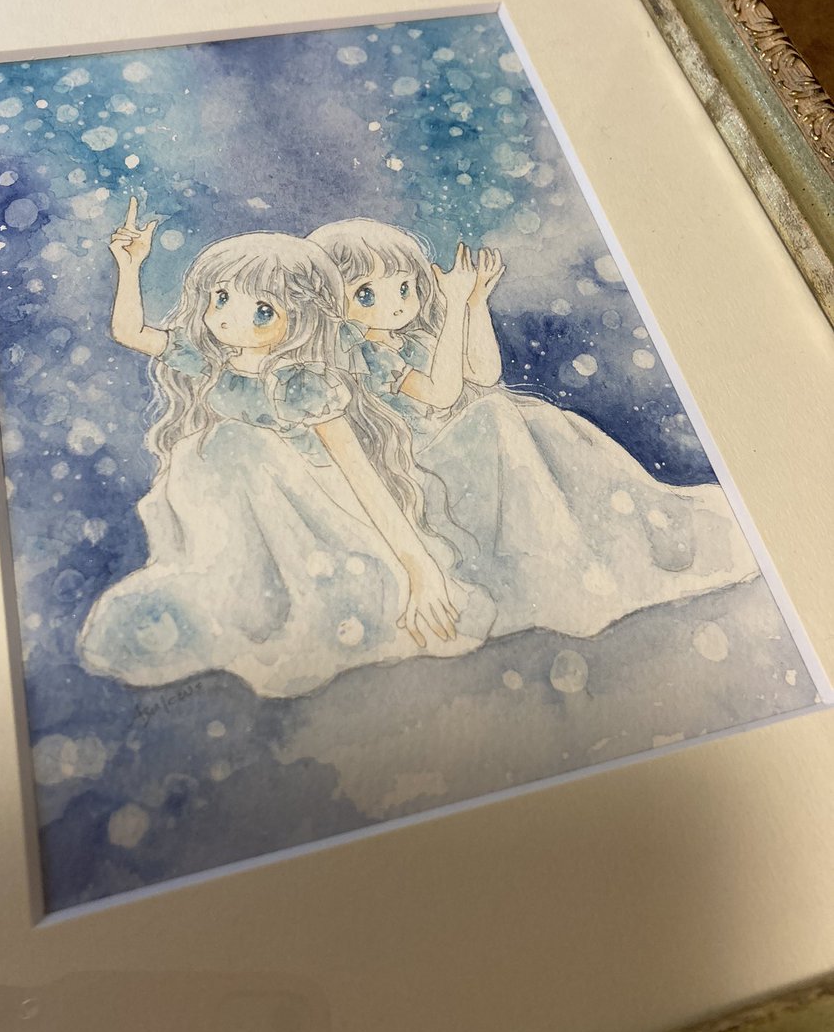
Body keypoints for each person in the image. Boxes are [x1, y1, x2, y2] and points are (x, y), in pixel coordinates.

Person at [77, 200, 494, 698]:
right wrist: (129, 267)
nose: (233, 319)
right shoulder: (211, 360)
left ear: (300, 318)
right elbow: (130, 332)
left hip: (307, 502)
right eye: (222, 299)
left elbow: (359, 473)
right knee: (225, 448)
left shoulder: (304, 382)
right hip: (227, 509)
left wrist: (421, 570)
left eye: (262, 311)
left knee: (238, 446)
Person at [309, 217, 760, 639]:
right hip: (428, 469)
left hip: (462, 449)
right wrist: (453, 307)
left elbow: (483, 372)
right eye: (366, 294)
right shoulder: (365, 358)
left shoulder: (409, 341)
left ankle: (633, 534)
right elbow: (442, 394)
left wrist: (475, 303)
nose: (395, 303)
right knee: (496, 416)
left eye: (404, 287)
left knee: (537, 418)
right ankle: (567, 567)